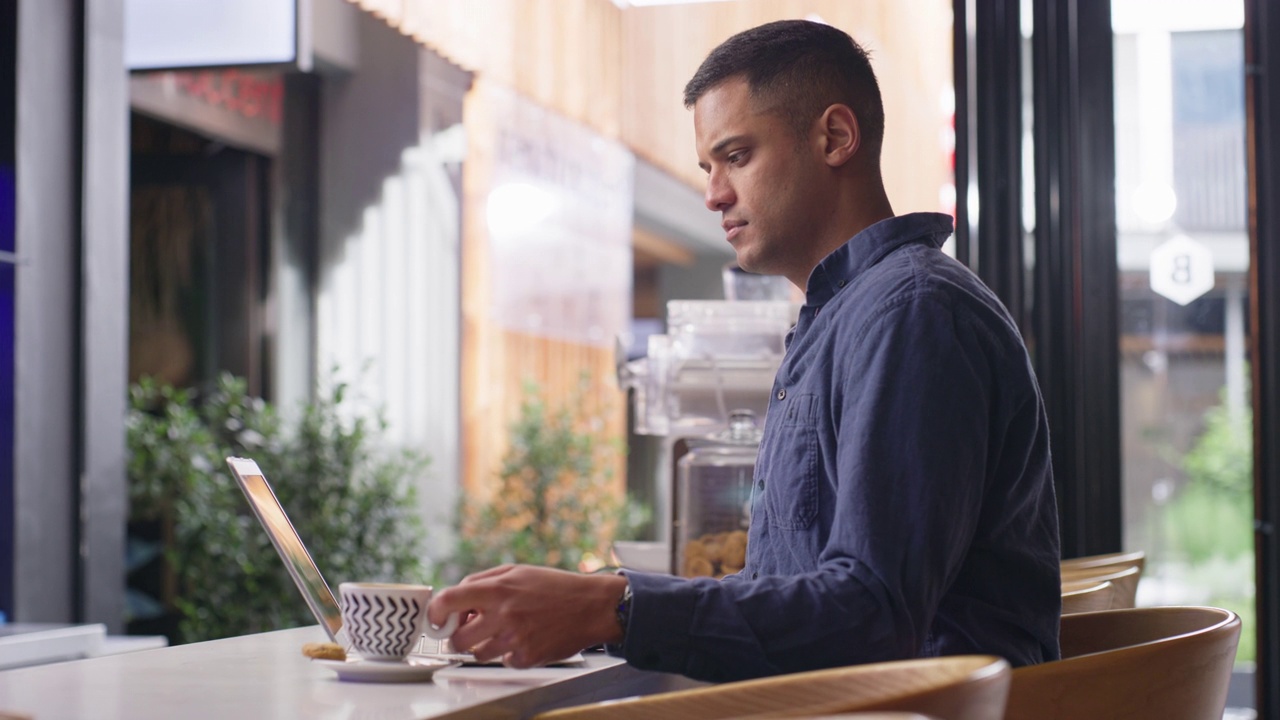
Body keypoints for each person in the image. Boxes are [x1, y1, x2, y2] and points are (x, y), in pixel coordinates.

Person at [428, 18, 1061, 682]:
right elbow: (813, 591)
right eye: (708, 167)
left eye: (736, 156)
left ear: (835, 137)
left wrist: (612, 606)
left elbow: (875, 614)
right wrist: (605, 602)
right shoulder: (843, 318)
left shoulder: (912, 313)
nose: (712, 195)